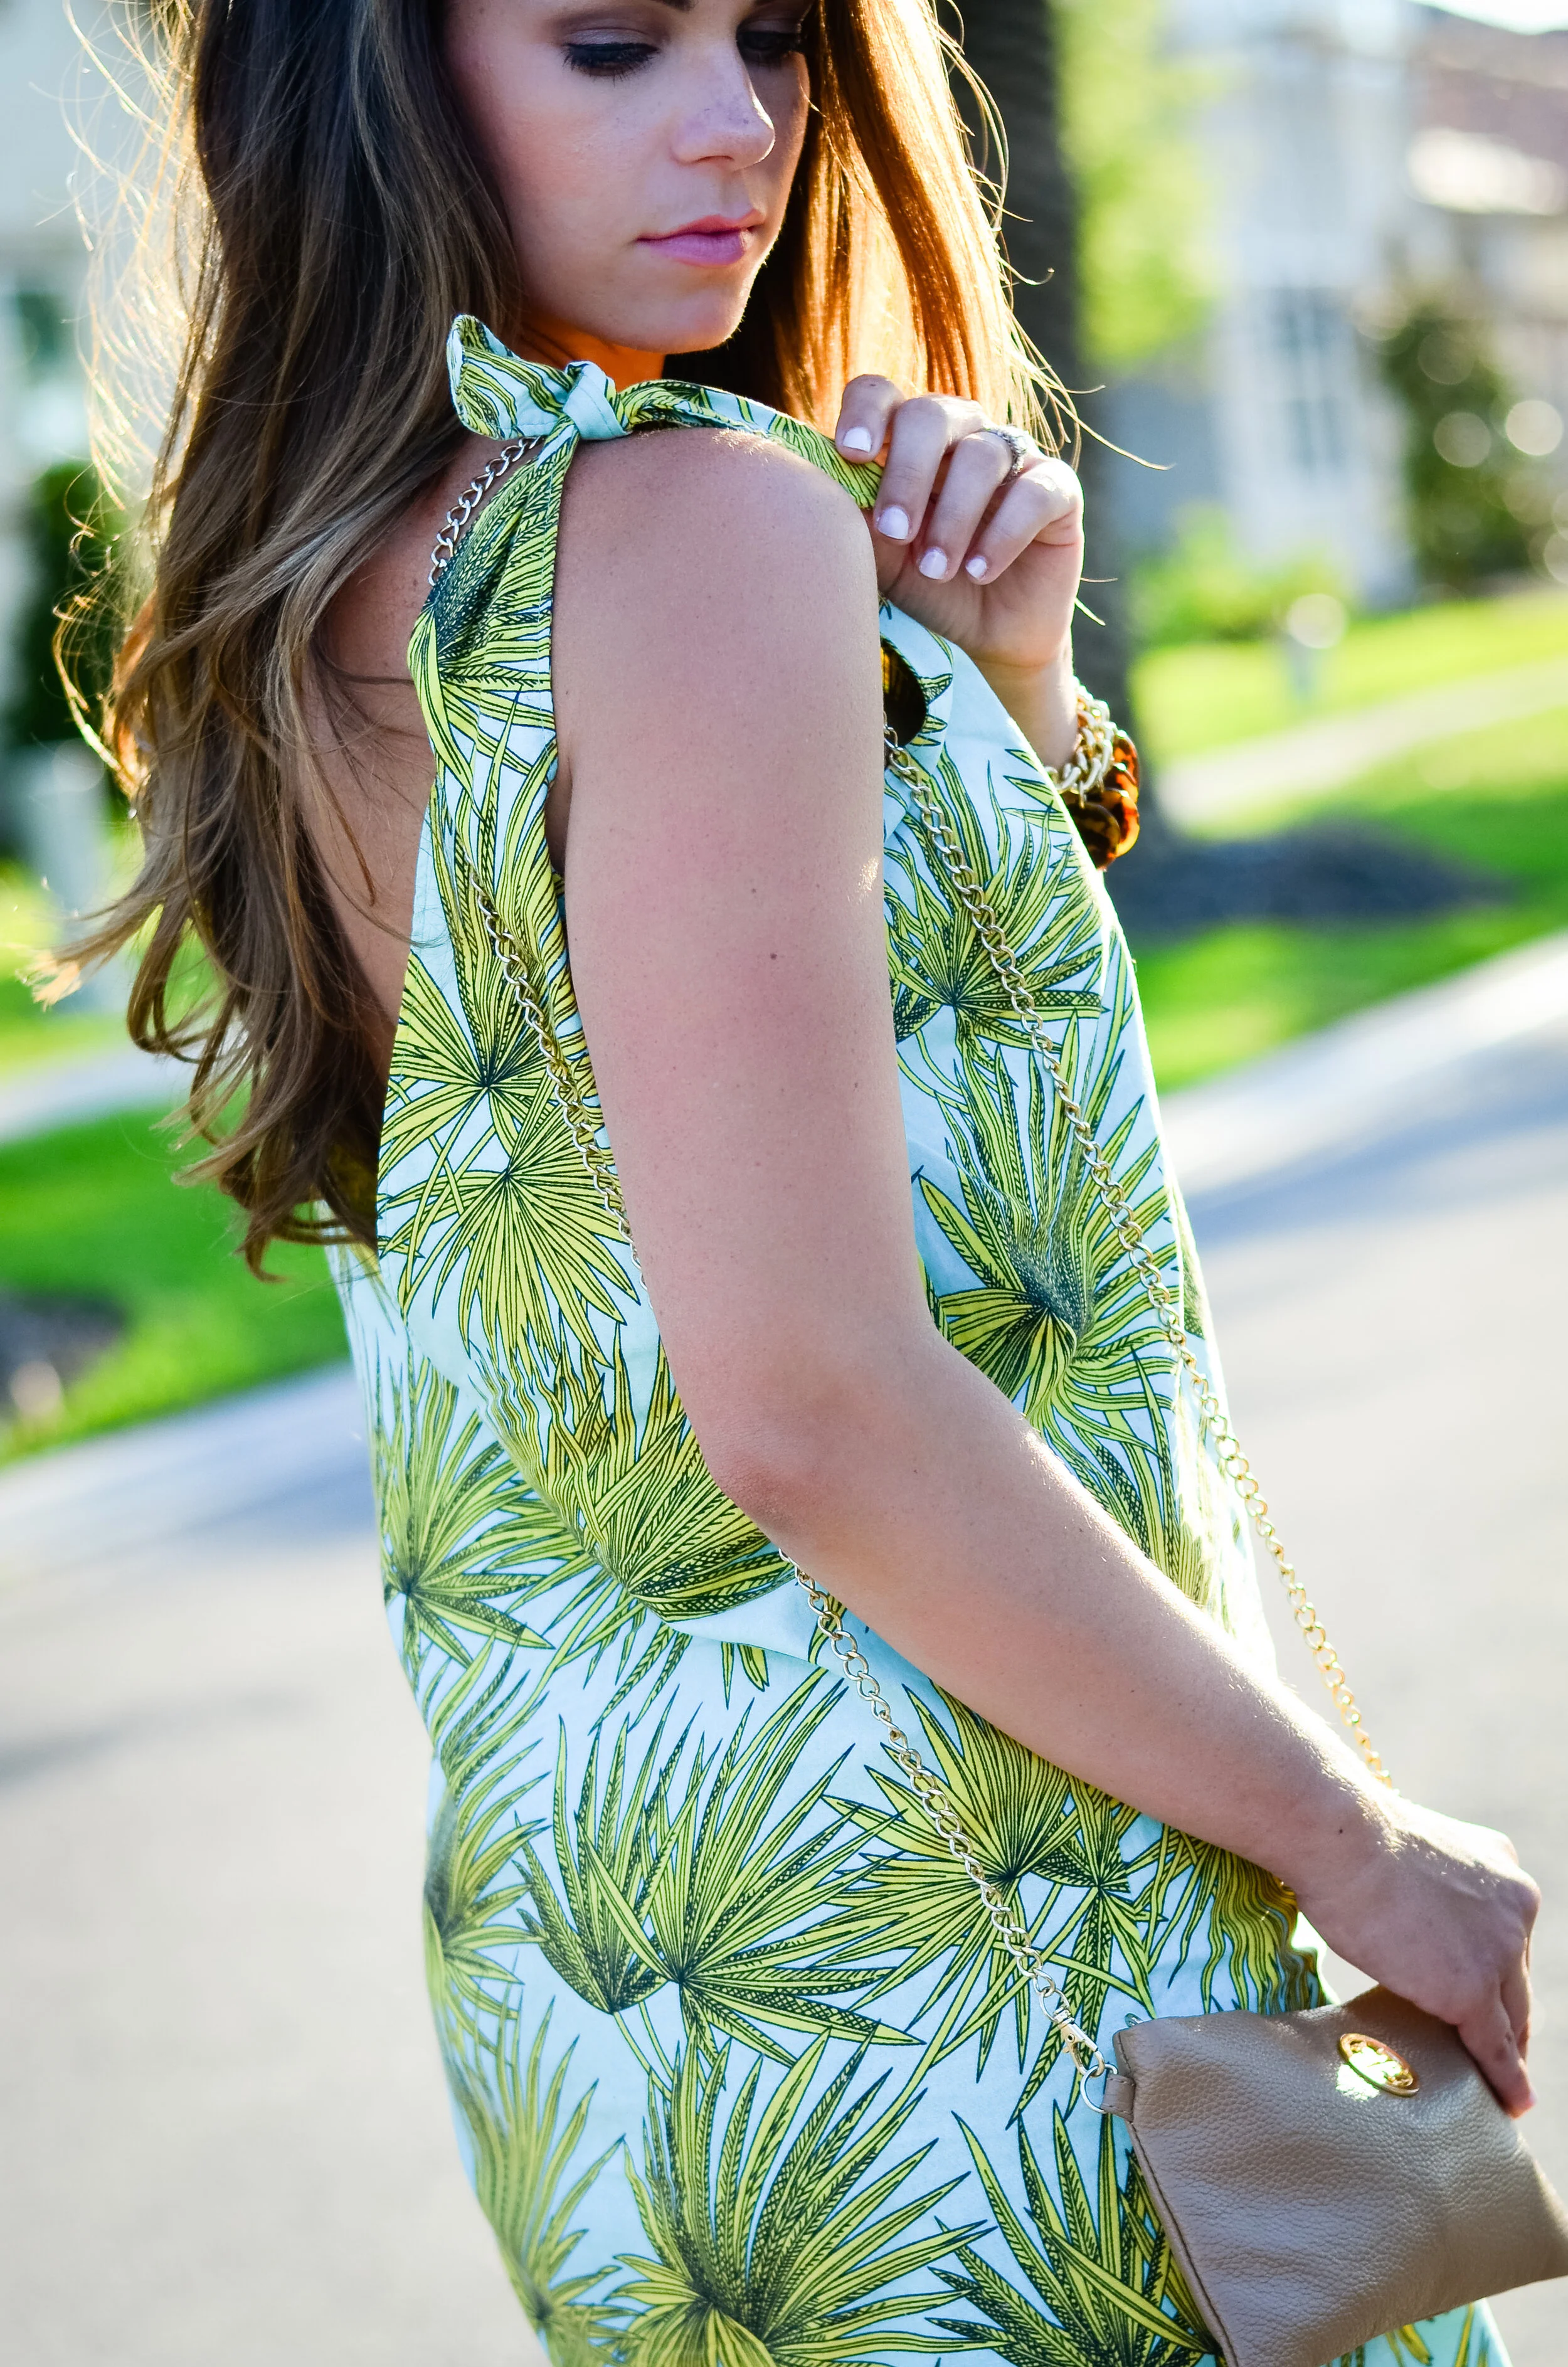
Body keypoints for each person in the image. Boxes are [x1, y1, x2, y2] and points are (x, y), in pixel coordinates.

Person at [80, 2, 1538, 2361]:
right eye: (610, 42)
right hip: (978, 1988)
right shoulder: (699, 532)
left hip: (628, 2007)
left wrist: (1006, 700)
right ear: (372, 77)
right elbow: (812, 1399)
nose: (737, 124)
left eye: (769, 38)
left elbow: (739, 1152)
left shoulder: (331, 600)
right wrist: (1355, 1845)